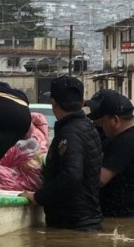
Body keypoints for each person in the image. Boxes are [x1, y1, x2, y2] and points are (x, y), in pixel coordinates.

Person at [21, 76, 102, 231]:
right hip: (87, 219)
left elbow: (71, 176)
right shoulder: (88, 127)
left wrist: (37, 197)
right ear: (82, 101)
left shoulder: (69, 133)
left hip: (72, 224)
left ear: (54, 103)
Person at [85, 89, 134, 219]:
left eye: (102, 122)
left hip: (130, 219)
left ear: (115, 120)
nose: (99, 126)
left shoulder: (126, 141)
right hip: (129, 217)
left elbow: (99, 179)